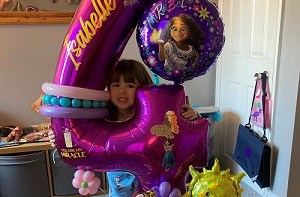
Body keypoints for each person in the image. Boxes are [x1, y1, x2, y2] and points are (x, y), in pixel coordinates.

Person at [48, 59, 199, 196]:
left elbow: (181, 136)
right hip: (119, 192)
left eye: (130, 85)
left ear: (143, 89)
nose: (122, 90)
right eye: (116, 85)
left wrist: (191, 116)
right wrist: (58, 139)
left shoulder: (155, 118)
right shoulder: (102, 121)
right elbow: (79, 140)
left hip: (154, 190)